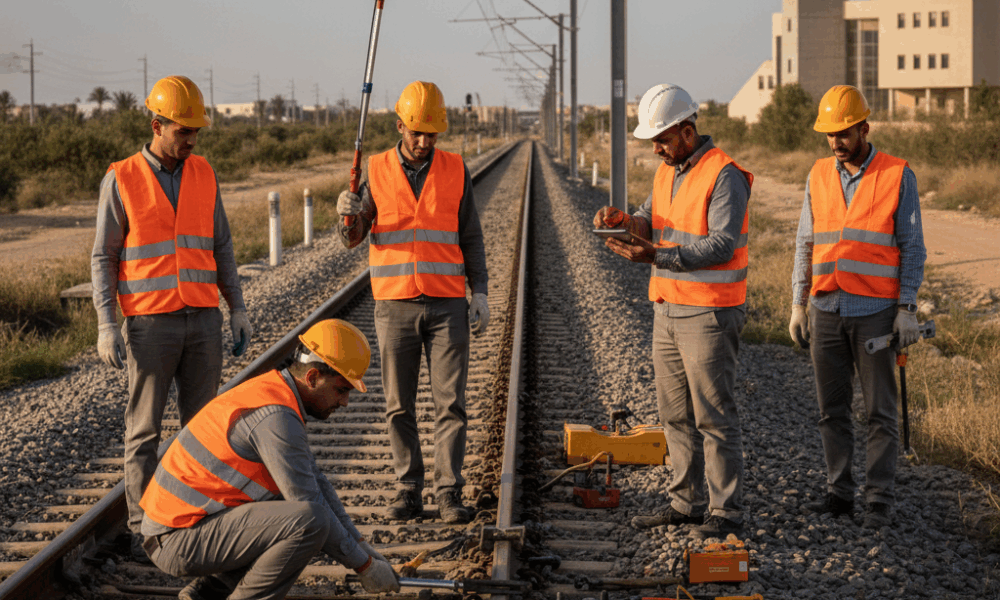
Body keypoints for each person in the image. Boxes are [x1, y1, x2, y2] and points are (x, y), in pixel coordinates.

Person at [90, 75, 253, 556]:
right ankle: (144, 523)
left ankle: (196, 515)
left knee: (202, 428)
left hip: (203, 320)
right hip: (150, 324)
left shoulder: (204, 172)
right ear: (157, 125)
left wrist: (237, 307)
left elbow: (220, 244)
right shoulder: (121, 177)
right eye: (184, 131)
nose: (192, 140)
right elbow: (103, 256)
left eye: (196, 131)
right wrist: (105, 322)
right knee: (143, 430)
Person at [139, 319, 401, 600]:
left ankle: (208, 594)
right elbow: (311, 503)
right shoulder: (276, 416)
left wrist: (362, 546)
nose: (346, 401)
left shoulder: (278, 395)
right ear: (312, 377)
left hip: (187, 529)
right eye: (341, 389)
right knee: (309, 521)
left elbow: (317, 483)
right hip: (177, 540)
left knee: (290, 510)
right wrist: (364, 567)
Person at [595, 84, 753, 540]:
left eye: (662, 138)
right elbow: (651, 218)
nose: (656, 148)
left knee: (713, 416)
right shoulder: (669, 169)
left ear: (687, 131)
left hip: (708, 312)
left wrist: (657, 257)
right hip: (668, 307)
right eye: (653, 141)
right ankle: (686, 504)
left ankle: (726, 512)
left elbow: (721, 243)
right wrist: (624, 222)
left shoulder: (725, 174)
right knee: (675, 415)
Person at [335, 80, 489, 524]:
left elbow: (471, 236)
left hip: (446, 306)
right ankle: (408, 487)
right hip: (395, 304)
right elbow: (353, 239)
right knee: (398, 404)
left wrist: (478, 291)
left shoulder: (456, 169)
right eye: (416, 133)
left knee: (451, 404)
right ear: (399, 125)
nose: (424, 143)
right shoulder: (376, 169)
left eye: (432, 135)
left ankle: (448, 492)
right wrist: (347, 212)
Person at [788, 85, 926, 529]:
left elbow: (912, 247)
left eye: (844, 133)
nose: (835, 142)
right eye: (829, 135)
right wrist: (797, 303)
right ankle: (839, 494)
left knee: (880, 412)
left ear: (865, 127)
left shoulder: (897, 175)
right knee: (832, 410)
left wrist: (906, 308)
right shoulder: (817, 175)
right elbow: (805, 243)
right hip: (826, 308)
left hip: (875, 313)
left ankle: (879, 500)